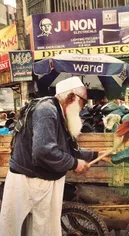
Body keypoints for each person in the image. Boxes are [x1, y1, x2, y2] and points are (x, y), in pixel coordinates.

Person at [0, 76, 111, 236]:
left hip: (41, 180)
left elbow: (67, 148)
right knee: (14, 230)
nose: (83, 107)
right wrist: (74, 164)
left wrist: (94, 154)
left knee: (42, 229)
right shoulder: (47, 110)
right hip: (27, 181)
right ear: (71, 96)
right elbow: (43, 151)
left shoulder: (60, 112)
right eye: (83, 102)